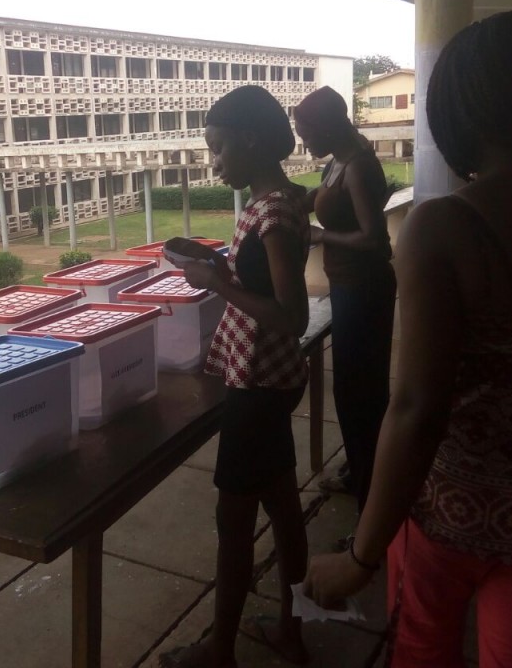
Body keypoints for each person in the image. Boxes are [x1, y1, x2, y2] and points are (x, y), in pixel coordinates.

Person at [304, 9, 512, 668]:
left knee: (421, 652)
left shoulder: (446, 227)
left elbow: (415, 408)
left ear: (461, 110)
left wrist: (360, 556)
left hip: (453, 512)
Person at [159, 85, 312, 668]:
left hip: (260, 382)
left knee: (234, 521)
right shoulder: (276, 198)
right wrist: (222, 268)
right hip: (271, 378)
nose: (213, 161)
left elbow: (291, 315)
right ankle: (293, 631)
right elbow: (265, 285)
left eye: (218, 148)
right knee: (284, 508)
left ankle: (219, 650)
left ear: (249, 139)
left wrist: (214, 283)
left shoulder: (271, 212)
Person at [292, 86, 396, 514]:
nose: (305, 142)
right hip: (346, 285)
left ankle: (373, 503)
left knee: (362, 395)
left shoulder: (358, 166)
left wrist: (320, 234)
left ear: (329, 126)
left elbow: (375, 239)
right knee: (351, 391)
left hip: (365, 287)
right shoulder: (336, 162)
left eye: (308, 132)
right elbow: (320, 202)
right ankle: (360, 473)